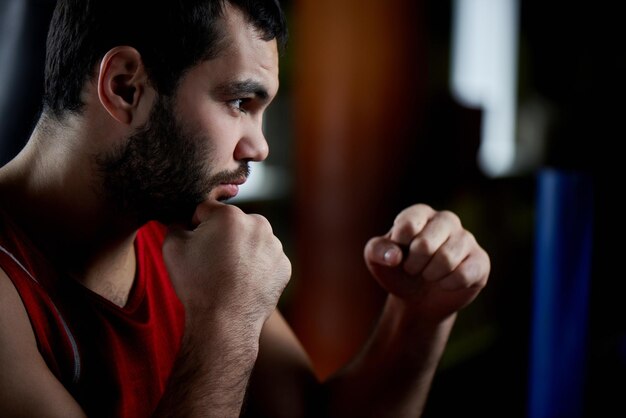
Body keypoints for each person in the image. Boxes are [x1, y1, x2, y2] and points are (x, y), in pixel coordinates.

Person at [0, 0, 490, 417]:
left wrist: (419, 316)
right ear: (126, 86)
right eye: (239, 102)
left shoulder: (175, 227)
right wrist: (224, 322)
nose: (258, 147)